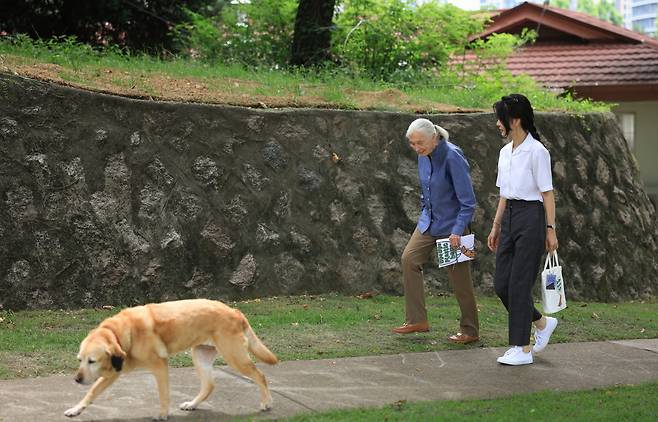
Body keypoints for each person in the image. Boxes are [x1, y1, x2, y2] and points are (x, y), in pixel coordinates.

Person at [392, 118, 480, 345]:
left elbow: (468, 201)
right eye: (412, 144)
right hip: (429, 223)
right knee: (409, 259)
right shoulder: (423, 156)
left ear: (434, 138)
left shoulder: (453, 156)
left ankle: (470, 330)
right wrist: (424, 210)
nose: (416, 148)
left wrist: (458, 230)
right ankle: (417, 320)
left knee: (459, 279)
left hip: (454, 227)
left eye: (419, 142)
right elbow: (426, 190)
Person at [487, 94, 559, 366]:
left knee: (519, 285)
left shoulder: (537, 151)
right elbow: (504, 194)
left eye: (500, 118)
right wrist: (496, 226)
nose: (497, 123)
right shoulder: (505, 152)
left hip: (531, 218)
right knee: (502, 285)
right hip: (510, 219)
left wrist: (550, 229)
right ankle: (541, 322)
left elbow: (548, 194)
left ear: (514, 120)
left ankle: (522, 348)